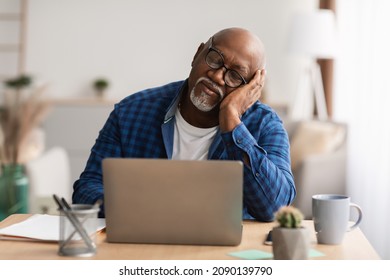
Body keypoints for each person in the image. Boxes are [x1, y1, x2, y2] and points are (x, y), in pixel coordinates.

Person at [72, 27, 296, 221]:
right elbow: (87, 188)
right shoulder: (130, 111)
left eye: (235, 76)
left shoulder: (265, 124)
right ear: (197, 54)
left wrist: (231, 120)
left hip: (224, 256)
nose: (218, 76)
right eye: (215, 58)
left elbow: (275, 208)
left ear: (250, 88)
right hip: (143, 246)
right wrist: (137, 210)